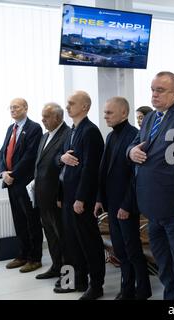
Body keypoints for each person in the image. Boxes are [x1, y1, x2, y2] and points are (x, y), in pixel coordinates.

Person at [128, 71, 174, 300]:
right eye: (152, 89)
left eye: (160, 90)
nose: (154, 94)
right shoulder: (152, 117)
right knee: (164, 266)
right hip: (153, 208)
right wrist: (131, 152)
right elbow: (134, 144)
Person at [95, 97, 152, 300]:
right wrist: (100, 198)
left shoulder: (134, 136)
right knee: (120, 250)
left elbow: (135, 177)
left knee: (132, 249)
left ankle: (143, 289)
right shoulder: (111, 137)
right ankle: (127, 288)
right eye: (105, 112)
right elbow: (103, 171)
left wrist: (127, 205)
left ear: (123, 113)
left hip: (125, 205)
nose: (105, 116)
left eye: (109, 112)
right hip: (111, 204)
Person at [55, 90, 105, 300]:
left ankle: (96, 286)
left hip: (80, 199)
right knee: (72, 242)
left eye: (71, 103)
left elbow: (90, 170)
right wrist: (61, 157)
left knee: (89, 243)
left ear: (84, 106)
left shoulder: (90, 131)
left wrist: (81, 198)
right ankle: (79, 279)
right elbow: (61, 162)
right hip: (67, 196)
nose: (67, 107)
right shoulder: (72, 131)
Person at [0, 98, 43, 273]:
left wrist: (13, 175)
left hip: (24, 183)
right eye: (10, 107)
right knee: (19, 221)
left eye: (16, 107)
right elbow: (2, 152)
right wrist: (3, 173)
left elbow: (30, 156)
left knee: (32, 221)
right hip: (11, 183)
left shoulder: (34, 128)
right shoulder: (12, 128)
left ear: (25, 108)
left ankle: (35, 258)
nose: (13, 110)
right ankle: (23, 254)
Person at [34, 103, 70, 280]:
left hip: (57, 197)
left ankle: (67, 276)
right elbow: (41, 165)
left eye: (46, 116)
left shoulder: (67, 135)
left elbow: (66, 171)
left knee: (63, 237)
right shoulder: (44, 135)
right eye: (42, 116)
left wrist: (60, 195)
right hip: (42, 195)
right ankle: (56, 267)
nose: (42, 119)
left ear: (57, 118)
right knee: (50, 235)